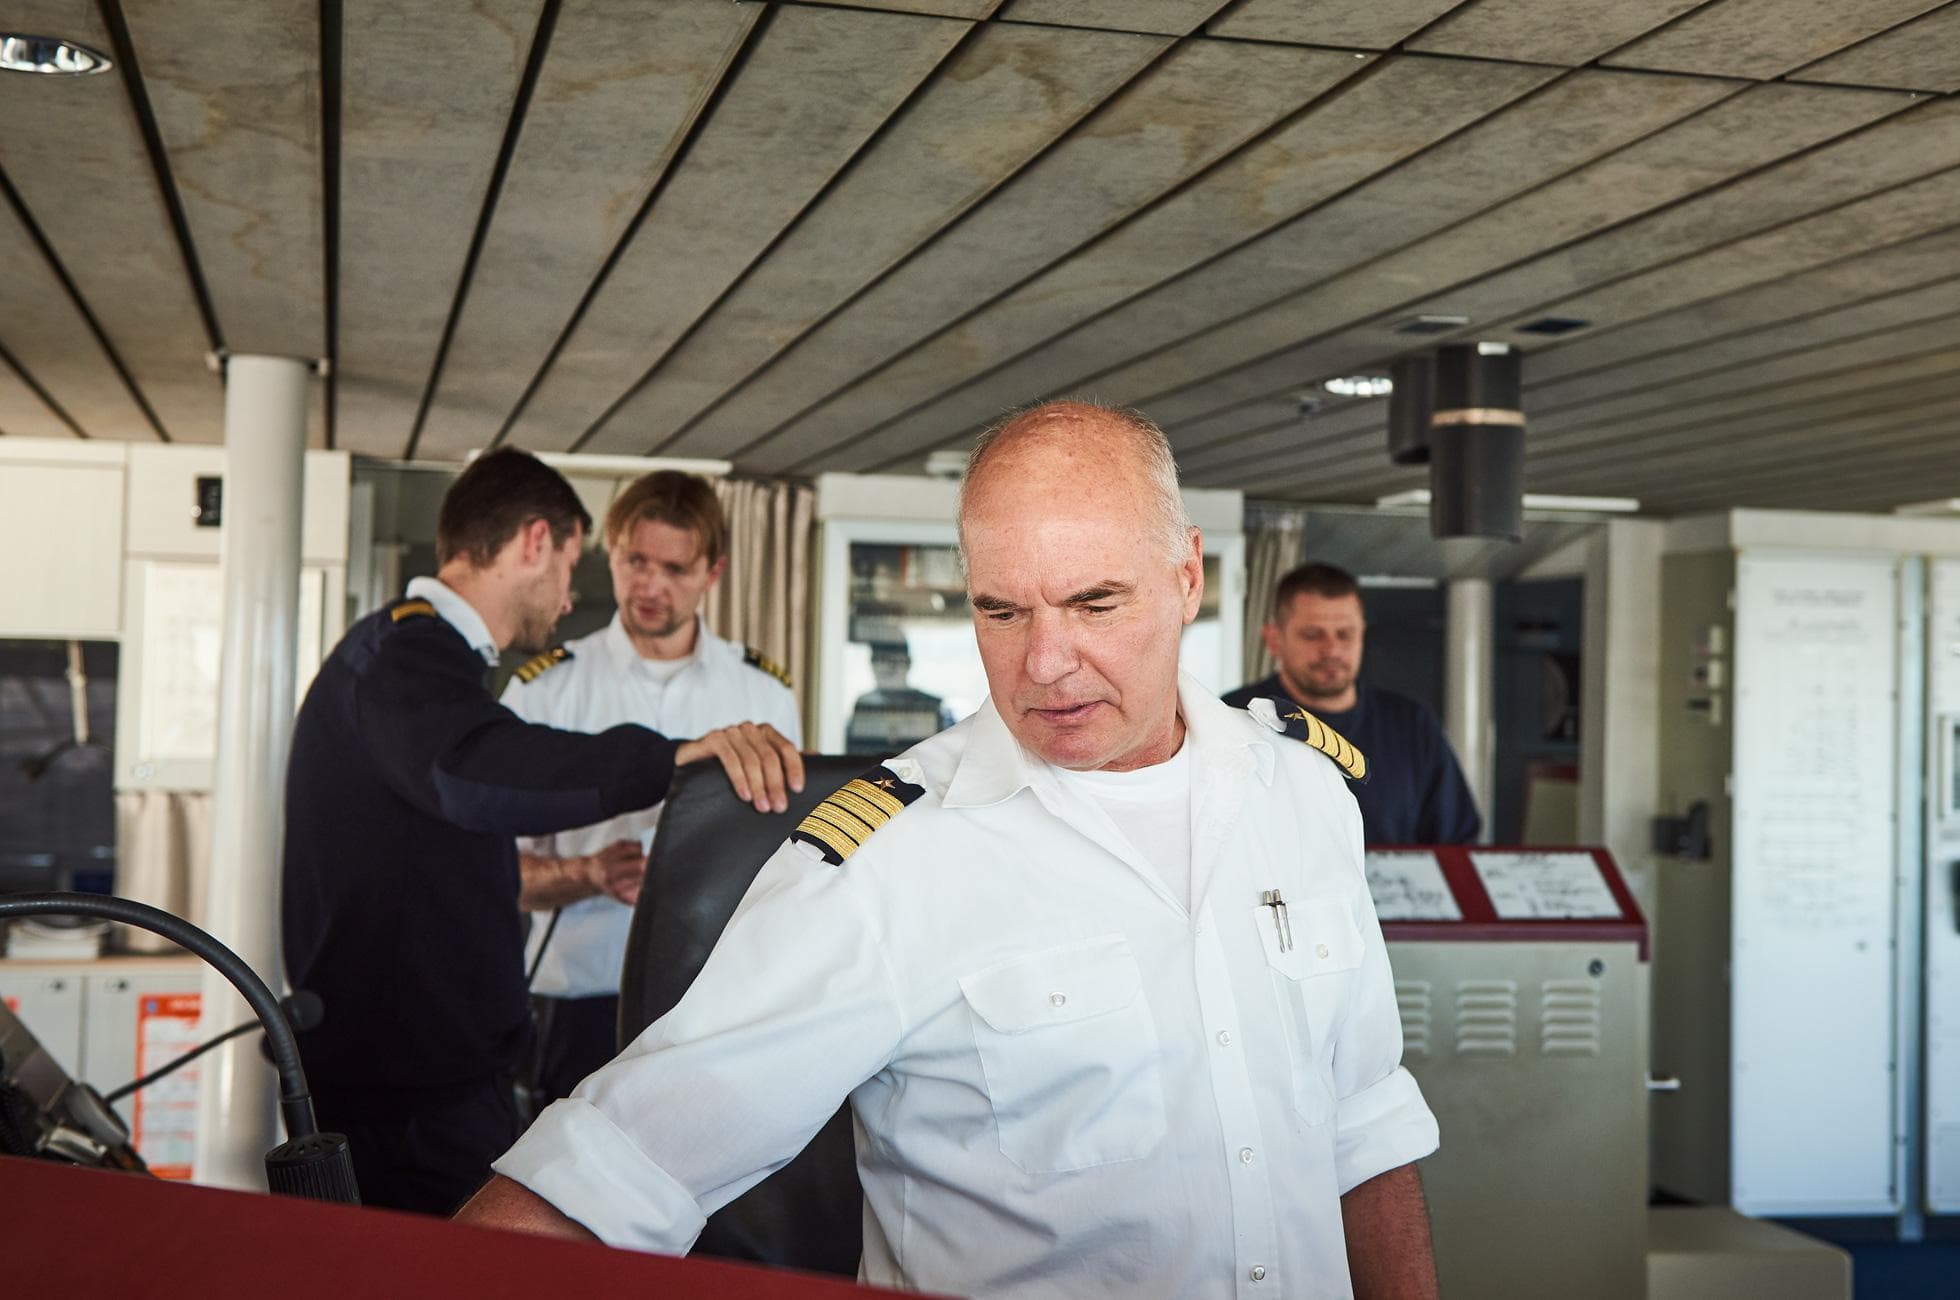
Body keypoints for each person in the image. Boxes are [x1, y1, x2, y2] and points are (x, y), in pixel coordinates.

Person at [458, 403, 1440, 1299]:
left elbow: (1361, 1124)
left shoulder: (1304, 791)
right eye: (1000, 610)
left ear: (1186, 577)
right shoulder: (895, 856)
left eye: (1094, 604)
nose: (1044, 664)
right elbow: (627, 1155)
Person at [281, 448, 803, 1217]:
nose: (568, 597)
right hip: (415, 1080)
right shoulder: (407, 653)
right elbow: (479, 772)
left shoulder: (421, 658)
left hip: (449, 1062)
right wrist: (670, 761)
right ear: (533, 543)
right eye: (569, 565)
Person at [500, 470, 802, 1107]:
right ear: (609, 552)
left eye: (675, 568)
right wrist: (588, 873)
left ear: (712, 574)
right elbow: (498, 871)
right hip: (576, 998)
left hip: (714, 1001)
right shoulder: (545, 690)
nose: (651, 587)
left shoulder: (763, 694)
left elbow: (789, 862)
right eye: (635, 561)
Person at [1224, 563, 1481, 845]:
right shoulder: (1232, 719)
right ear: (1274, 639)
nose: (1332, 650)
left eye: (1345, 634)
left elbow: (1457, 844)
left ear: (1362, 635)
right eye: (1313, 635)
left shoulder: (1411, 724)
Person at [843, 639, 953, 755]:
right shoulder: (863, 704)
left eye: (895, 659)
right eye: (880, 659)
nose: (888, 667)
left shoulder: (933, 705)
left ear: (907, 663)